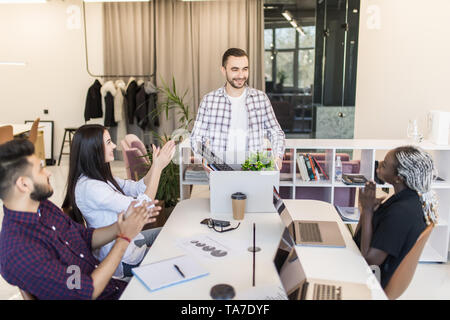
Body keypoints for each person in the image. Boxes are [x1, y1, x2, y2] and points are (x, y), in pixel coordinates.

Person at [0, 139, 160, 299]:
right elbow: (85, 292)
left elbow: (84, 237)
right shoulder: (20, 251)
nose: (48, 172)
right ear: (24, 184)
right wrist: (124, 238)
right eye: (41, 169)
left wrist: (120, 227)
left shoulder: (42, 207)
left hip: (114, 287)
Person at [62, 124, 175, 279]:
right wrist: (158, 168)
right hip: (123, 259)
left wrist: (156, 165)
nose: (114, 146)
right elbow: (143, 207)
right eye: (109, 142)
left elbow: (137, 188)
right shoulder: (90, 187)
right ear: (93, 149)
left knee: (170, 233)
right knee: (174, 253)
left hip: (132, 241)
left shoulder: (99, 177)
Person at [353, 145, 438, 288]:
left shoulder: (400, 213)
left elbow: (369, 260)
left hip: (369, 281)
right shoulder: (409, 200)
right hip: (362, 265)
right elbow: (358, 238)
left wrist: (367, 210)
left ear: (398, 178)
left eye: (384, 165)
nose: (379, 165)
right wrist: (367, 211)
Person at [190, 47, 285, 169]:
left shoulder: (261, 98)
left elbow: (276, 132)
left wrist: (278, 156)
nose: (241, 75)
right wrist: (205, 159)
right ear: (223, 70)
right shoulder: (209, 101)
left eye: (245, 69)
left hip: (254, 170)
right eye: (235, 70)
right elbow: (196, 138)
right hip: (220, 172)